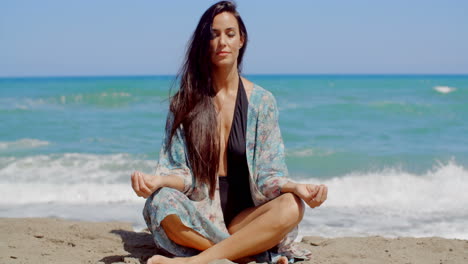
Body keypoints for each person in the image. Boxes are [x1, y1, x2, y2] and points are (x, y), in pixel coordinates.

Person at [131, 1, 328, 263]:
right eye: (213, 34)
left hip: (246, 217)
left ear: (241, 40)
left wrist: (298, 187)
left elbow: (270, 176)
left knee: (292, 206)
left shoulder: (262, 102)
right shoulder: (184, 102)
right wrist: (158, 182)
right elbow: (182, 174)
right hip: (200, 215)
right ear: (204, 43)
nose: (222, 41)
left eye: (230, 33)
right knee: (161, 202)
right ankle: (247, 255)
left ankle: (195, 261)